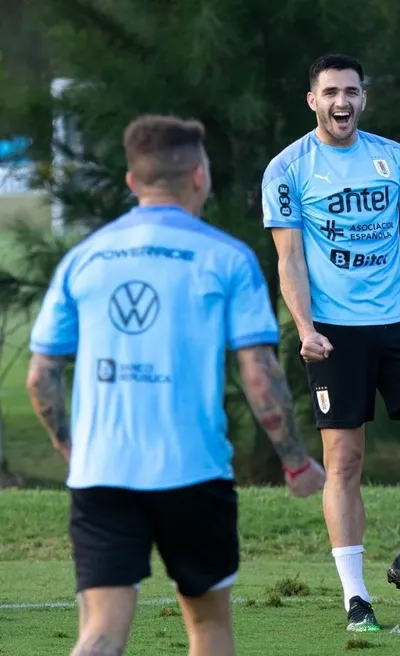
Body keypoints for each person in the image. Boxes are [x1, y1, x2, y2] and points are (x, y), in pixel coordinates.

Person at [25, 115, 325, 656]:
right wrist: (297, 463)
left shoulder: (83, 258)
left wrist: (72, 448)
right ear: (199, 176)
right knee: (208, 629)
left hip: (103, 477)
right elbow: (260, 375)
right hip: (194, 473)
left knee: (99, 634)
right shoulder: (227, 258)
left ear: (132, 182)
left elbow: (41, 377)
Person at [261, 53, 400, 632]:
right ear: (313, 100)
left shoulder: (392, 157)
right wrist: (305, 329)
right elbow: (289, 259)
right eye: (330, 92)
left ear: (363, 97)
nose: (342, 102)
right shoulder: (288, 168)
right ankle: (356, 597)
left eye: (351, 91)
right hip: (334, 332)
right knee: (345, 460)